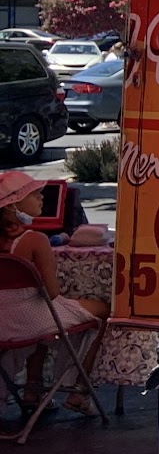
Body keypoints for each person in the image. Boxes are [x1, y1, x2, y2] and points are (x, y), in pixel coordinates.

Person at [0, 170, 107, 413]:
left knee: (39, 315)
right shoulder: (35, 240)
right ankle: (79, 389)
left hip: (4, 323)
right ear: (13, 205)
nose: (42, 198)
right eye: (34, 194)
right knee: (100, 311)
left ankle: (32, 388)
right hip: (28, 322)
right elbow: (52, 292)